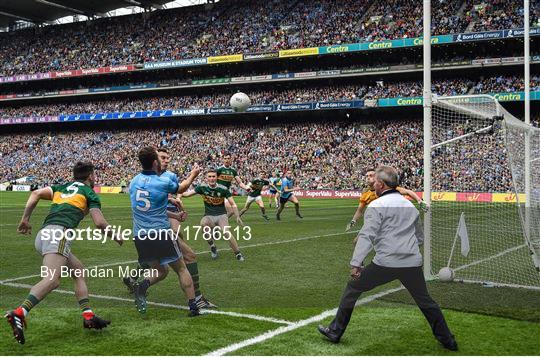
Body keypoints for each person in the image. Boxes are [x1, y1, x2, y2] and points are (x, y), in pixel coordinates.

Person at [318, 166, 458, 351]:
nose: (373, 183)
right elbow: (420, 238)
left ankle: (335, 331)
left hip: (386, 263)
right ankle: (448, 340)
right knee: (425, 301)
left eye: (375, 181)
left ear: (381, 185)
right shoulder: (410, 206)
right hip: (411, 263)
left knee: (353, 288)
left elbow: (367, 236)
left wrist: (356, 263)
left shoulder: (376, 205)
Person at [5, 162, 120, 345]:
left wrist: (25, 219)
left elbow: (35, 194)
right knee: (52, 280)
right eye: (94, 175)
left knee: (79, 271)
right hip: (59, 234)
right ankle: (19, 313)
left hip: (44, 235)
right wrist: (116, 236)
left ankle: (88, 315)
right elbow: (99, 222)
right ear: (91, 176)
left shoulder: (61, 187)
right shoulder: (89, 193)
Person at [123, 148, 216, 309]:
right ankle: (196, 300)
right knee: (188, 258)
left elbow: (153, 205)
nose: (164, 160)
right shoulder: (163, 180)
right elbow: (180, 188)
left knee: (161, 267)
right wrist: (193, 174)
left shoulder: (136, 180)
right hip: (160, 230)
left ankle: (134, 279)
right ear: (155, 161)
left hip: (141, 233)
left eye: (167, 158)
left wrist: (174, 207)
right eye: (161, 158)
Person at [182, 169, 245, 261]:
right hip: (208, 215)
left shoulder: (223, 189)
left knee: (226, 233)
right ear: (206, 178)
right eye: (210, 176)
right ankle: (212, 246)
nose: (212, 178)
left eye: (213, 176)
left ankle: (238, 253)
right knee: (203, 224)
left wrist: (237, 216)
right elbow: (187, 194)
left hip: (221, 215)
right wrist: (175, 190)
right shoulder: (202, 187)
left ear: (217, 177)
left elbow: (233, 204)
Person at [346, 168, 428, 232]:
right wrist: (353, 221)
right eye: (367, 176)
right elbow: (360, 210)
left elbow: (407, 192)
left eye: (371, 175)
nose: (368, 178)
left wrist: (420, 201)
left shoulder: (386, 187)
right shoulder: (365, 194)